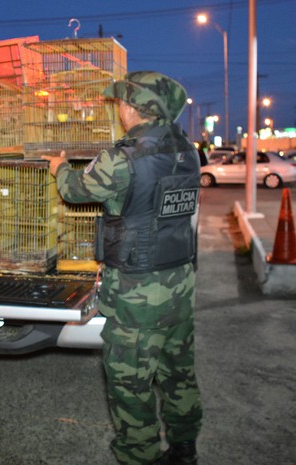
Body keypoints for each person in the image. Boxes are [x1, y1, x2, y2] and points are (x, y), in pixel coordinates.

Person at [42, 71, 203, 465]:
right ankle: (184, 449)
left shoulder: (123, 158)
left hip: (138, 295)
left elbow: (75, 190)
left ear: (134, 108)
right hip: (180, 286)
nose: (119, 109)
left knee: (131, 385)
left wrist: (59, 167)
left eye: (121, 103)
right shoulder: (188, 150)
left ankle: (139, 457)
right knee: (178, 373)